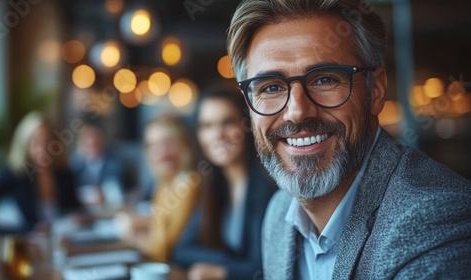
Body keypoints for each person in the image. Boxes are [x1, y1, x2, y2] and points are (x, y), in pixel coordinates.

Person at [226, 0, 471, 279]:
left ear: (375, 90)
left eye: (324, 80)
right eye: (270, 87)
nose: (296, 112)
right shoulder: (279, 212)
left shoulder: (434, 220)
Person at [172, 86, 276, 280]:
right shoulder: (214, 181)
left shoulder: (265, 184)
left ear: (247, 126)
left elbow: (265, 267)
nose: (218, 135)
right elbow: (182, 251)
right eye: (207, 126)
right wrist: (230, 264)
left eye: (228, 122)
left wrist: (222, 272)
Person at [0, 111, 81, 233]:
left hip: (66, 242)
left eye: (48, 141)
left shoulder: (63, 173)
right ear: (24, 144)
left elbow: (75, 209)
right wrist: (22, 231)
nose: (43, 148)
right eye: (36, 142)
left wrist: (79, 218)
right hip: (30, 245)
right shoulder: (14, 174)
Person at [124, 113, 200, 263]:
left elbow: (162, 252)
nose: (160, 153)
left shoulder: (188, 183)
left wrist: (131, 236)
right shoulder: (164, 183)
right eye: (152, 145)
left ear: (183, 144)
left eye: (168, 143)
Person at [70, 123, 135, 209]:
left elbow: (115, 191)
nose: (91, 149)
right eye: (87, 145)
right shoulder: (76, 165)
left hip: (110, 210)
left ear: (102, 143)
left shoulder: (116, 163)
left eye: (95, 145)